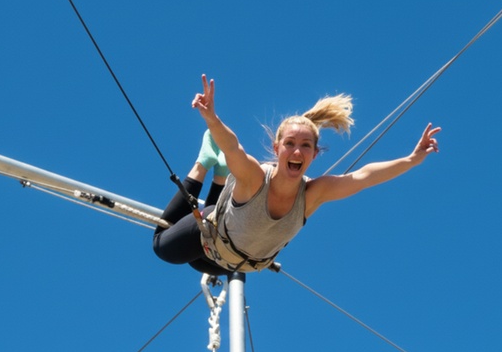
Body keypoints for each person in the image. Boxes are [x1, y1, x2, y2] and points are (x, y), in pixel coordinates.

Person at [152, 74, 441, 275]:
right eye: (290, 144)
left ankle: (220, 178)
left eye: (305, 146)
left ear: (315, 154)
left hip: (233, 263)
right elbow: (233, 147)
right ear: (277, 148)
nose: (297, 152)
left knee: (209, 242)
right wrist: (212, 119)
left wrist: (412, 159)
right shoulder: (255, 177)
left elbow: (364, 177)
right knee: (161, 247)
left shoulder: (314, 194)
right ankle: (203, 165)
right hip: (207, 240)